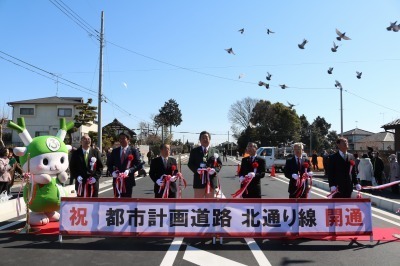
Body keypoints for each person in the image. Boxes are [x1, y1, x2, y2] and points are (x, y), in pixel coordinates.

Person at [188, 131, 222, 198]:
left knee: (210, 205)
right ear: (200, 140)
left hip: (211, 182)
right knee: (198, 205)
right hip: (199, 182)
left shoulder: (215, 151)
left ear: (210, 139)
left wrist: (214, 170)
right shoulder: (194, 151)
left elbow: (219, 164)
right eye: (203, 138)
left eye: (206, 137)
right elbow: (190, 164)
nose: (205, 139)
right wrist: (196, 170)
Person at [108, 132, 143, 198]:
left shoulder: (133, 151)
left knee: (127, 200)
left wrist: (129, 170)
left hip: (128, 180)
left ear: (128, 140)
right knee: (117, 199)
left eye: (124, 138)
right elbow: (109, 164)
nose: (121, 140)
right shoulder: (115, 151)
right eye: (120, 138)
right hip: (117, 180)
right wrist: (112, 172)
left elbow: (139, 164)